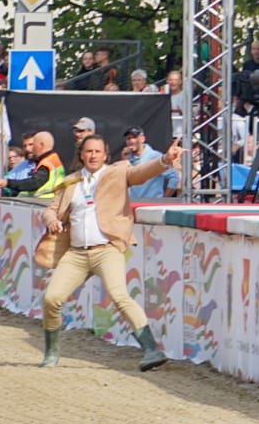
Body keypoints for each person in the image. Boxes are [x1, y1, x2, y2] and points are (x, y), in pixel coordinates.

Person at [38, 133, 184, 370]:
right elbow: (50, 210)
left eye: (97, 151)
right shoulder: (71, 181)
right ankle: (51, 351)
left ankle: (151, 349)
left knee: (119, 295)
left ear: (106, 154)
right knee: (51, 299)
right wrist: (51, 220)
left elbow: (142, 173)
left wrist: (165, 160)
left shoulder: (118, 172)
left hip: (107, 249)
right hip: (77, 253)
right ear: (81, 155)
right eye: (88, 151)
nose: (93, 155)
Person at [1, 131, 66, 198]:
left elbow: (34, 183)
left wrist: (8, 183)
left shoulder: (47, 163)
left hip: (45, 201)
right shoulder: (49, 160)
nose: (29, 149)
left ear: (41, 145)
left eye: (32, 145)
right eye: (25, 146)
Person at [122, 127, 175, 200]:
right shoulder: (127, 157)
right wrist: (124, 161)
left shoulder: (155, 156)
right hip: (132, 203)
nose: (131, 141)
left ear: (142, 139)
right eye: (128, 138)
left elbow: (174, 177)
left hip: (152, 203)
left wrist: (164, 200)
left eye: (134, 137)